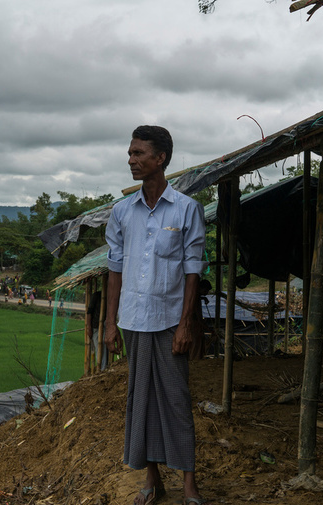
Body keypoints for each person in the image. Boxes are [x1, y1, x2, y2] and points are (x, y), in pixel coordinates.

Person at [104, 125, 207, 505]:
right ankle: (151, 480)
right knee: (141, 398)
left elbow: (193, 270)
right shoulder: (121, 212)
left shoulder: (186, 209)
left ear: (160, 158)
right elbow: (114, 269)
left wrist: (184, 325)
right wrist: (109, 323)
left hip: (168, 321)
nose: (131, 160)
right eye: (130, 153)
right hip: (133, 320)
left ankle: (190, 486)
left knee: (176, 399)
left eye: (138, 153)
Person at [87, 290, 109, 371]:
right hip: (96, 326)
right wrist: (89, 327)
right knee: (99, 348)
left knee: (106, 346)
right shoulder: (97, 295)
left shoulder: (111, 295)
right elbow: (89, 312)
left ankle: (105, 367)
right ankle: (102, 369)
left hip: (106, 326)